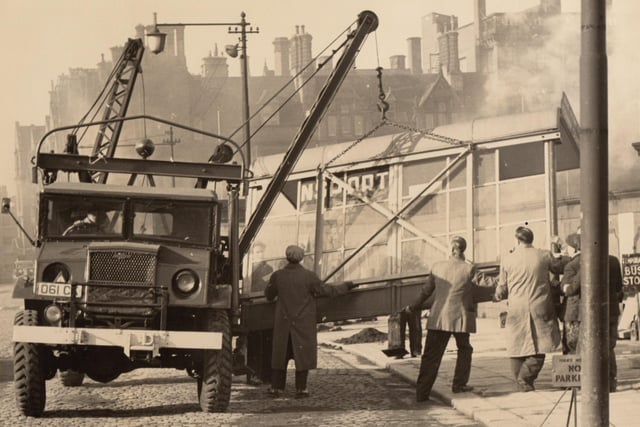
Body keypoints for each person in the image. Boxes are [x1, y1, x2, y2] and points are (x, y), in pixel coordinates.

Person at [404, 236, 490, 402]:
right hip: (461, 317)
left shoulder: (437, 267)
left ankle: (422, 393)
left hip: (439, 318)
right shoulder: (469, 268)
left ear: (451, 250)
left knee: (431, 356)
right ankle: (459, 384)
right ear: (463, 250)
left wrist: (413, 306)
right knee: (465, 349)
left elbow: (425, 291)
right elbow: (487, 281)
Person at [265, 245, 358, 398]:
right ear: (301, 258)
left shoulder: (277, 276)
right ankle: (301, 389)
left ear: (286, 256)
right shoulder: (309, 276)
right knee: (302, 355)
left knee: (280, 354)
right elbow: (328, 291)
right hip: (302, 323)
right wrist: (346, 286)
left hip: (284, 323)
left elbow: (269, 295)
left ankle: (276, 388)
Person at [495, 226, 564, 392]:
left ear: (517, 240)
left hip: (516, 309)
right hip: (540, 306)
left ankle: (521, 381)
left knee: (517, 345)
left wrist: (498, 294)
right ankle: (525, 379)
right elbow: (559, 267)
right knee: (541, 344)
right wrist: (559, 248)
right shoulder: (543, 255)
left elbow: (502, 289)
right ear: (531, 239)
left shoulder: (507, 259)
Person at [560, 232, 624, 392]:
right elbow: (618, 288)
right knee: (608, 346)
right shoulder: (614, 261)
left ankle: (580, 382)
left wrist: (566, 286)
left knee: (579, 346)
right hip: (611, 311)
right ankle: (610, 382)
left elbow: (570, 289)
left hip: (587, 312)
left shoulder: (577, 264)